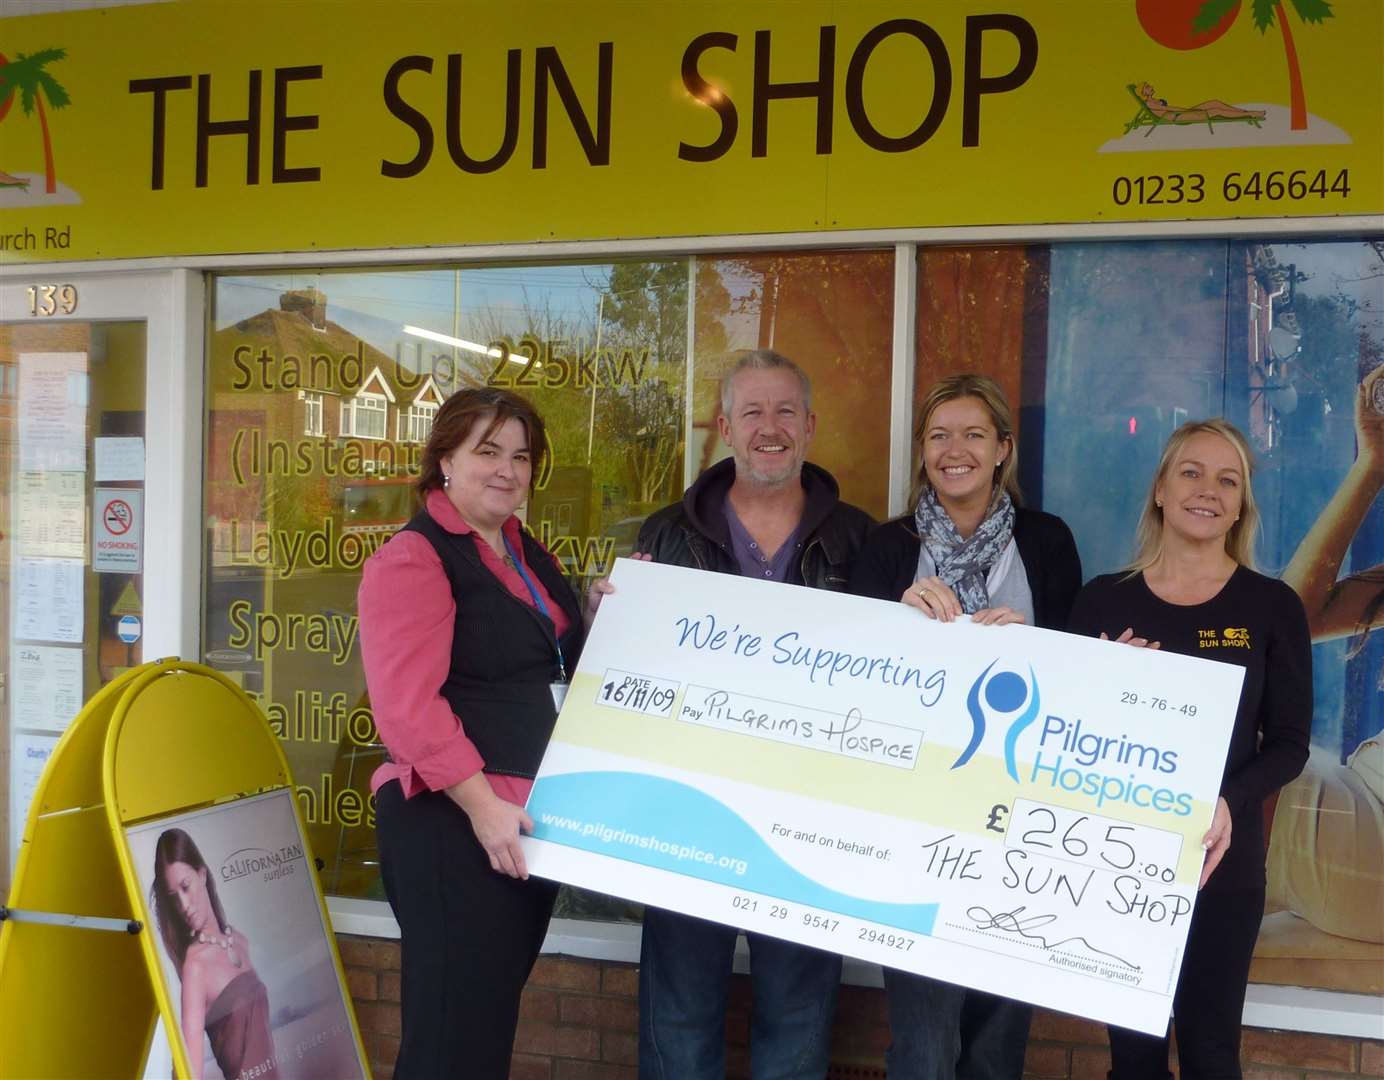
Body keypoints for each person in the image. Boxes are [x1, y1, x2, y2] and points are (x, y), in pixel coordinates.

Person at [636, 349, 874, 1080]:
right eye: (752, 412)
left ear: (809, 425)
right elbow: (630, 673)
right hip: (688, 806)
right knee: (679, 1010)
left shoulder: (863, 541)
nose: (769, 428)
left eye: (784, 412)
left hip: (810, 811)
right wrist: (606, 623)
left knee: (798, 1015)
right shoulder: (666, 534)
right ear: (724, 427)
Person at [359, 387, 604, 1078]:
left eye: (521, 456)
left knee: (484, 1022)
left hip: (520, 821)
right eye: (487, 451)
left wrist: (588, 614)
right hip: (457, 827)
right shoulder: (416, 557)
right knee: (449, 1039)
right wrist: (482, 808)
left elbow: (545, 665)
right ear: (444, 461)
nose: (508, 470)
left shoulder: (525, 551)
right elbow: (408, 709)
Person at [848, 373, 1082, 1080]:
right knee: (924, 1043)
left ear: (1003, 448)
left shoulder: (1046, 542)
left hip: (1020, 825)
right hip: (913, 820)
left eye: (975, 434)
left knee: (996, 1042)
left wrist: (1033, 640)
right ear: (921, 451)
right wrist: (897, 616)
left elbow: (1080, 680)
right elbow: (852, 677)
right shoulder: (887, 547)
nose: (956, 450)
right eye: (939, 435)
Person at [1068, 418, 1312, 1079]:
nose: (1208, 490)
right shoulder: (1099, 604)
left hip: (1220, 865)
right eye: (1192, 472)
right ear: (1159, 489)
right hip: (1118, 861)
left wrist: (1232, 800)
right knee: (1135, 1057)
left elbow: (1290, 743)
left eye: (1227, 480)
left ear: (1240, 505)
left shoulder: (1271, 606)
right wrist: (1092, 681)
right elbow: (1059, 735)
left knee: (1209, 1054)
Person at [151, 827, 278, 1080]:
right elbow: (190, 1070)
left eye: (186, 886)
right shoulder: (196, 967)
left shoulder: (240, 941)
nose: (184, 906)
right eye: (173, 897)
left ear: (202, 874)